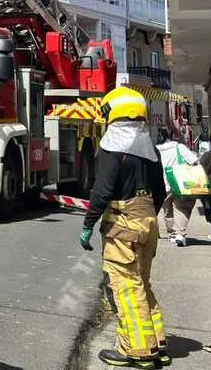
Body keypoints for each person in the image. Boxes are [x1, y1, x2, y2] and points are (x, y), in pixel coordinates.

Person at [80, 86, 168, 369]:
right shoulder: (150, 150)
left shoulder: (111, 148)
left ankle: (138, 351)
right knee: (142, 283)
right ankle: (157, 344)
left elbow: (102, 192)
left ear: (113, 114)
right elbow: (160, 192)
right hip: (148, 223)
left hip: (123, 225)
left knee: (126, 288)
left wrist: (88, 224)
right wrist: (146, 219)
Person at [155, 126, 199, 247]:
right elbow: (194, 161)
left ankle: (172, 234)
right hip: (180, 183)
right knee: (182, 208)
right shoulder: (179, 147)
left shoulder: (156, 150)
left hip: (163, 185)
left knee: (167, 210)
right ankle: (179, 233)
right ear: (170, 136)